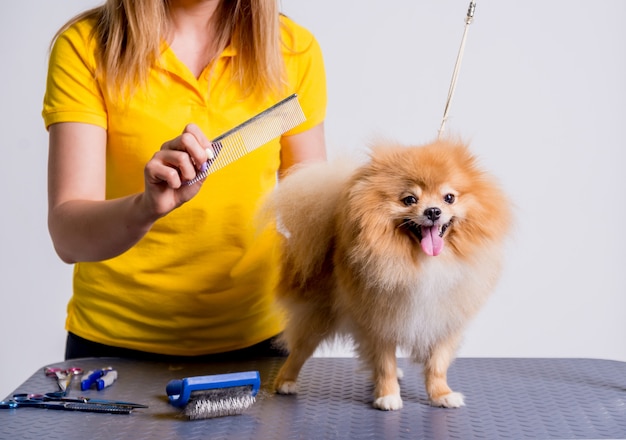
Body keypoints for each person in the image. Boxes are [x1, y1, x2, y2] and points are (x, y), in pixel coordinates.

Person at [43, 0, 327, 361]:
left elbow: (315, 222)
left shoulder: (292, 49)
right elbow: (68, 239)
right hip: (114, 348)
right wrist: (145, 207)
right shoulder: (86, 46)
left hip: (259, 340)